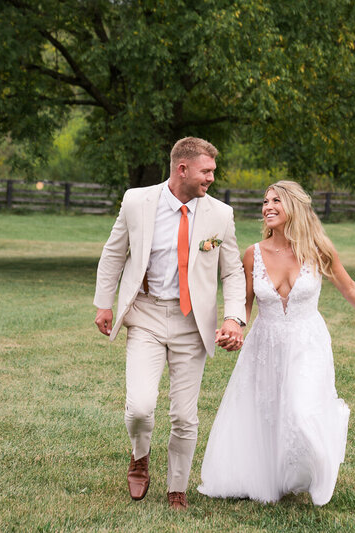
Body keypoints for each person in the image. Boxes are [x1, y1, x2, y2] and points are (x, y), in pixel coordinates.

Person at [198, 180, 355, 506]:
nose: (268, 207)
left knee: (302, 412)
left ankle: (312, 472)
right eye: (265, 201)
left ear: (295, 207)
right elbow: (243, 304)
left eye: (277, 200)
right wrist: (234, 328)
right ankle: (270, 477)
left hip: (307, 342)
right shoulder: (253, 254)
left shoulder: (318, 249)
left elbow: (350, 288)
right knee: (268, 413)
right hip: (265, 343)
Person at [93, 137, 246, 511]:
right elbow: (114, 252)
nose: (212, 177)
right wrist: (104, 304)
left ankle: (177, 486)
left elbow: (234, 272)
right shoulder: (136, 201)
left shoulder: (220, 215)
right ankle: (139, 456)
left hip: (192, 322)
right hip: (144, 314)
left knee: (184, 414)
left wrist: (234, 317)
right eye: (206, 171)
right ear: (183, 169)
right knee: (140, 408)